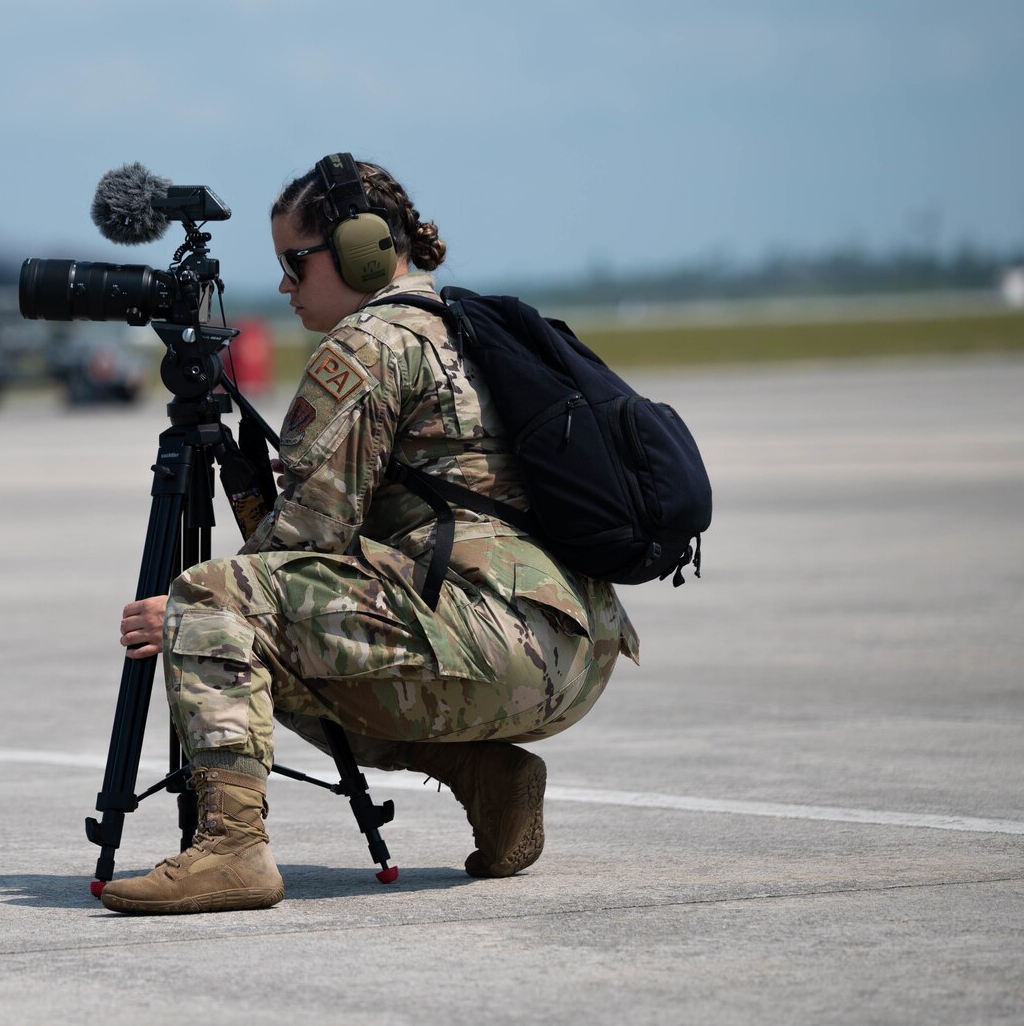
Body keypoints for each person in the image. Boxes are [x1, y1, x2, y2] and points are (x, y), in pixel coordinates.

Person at [97, 156, 640, 916]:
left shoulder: (368, 345)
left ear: (361, 248)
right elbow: (320, 565)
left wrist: (195, 621)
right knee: (266, 632)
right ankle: (489, 776)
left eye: (295, 262)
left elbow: (302, 545)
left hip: (494, 639)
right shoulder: (462, 325)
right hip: (571, 647)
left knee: (209, 599)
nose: (285, 286)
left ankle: (231, 849)